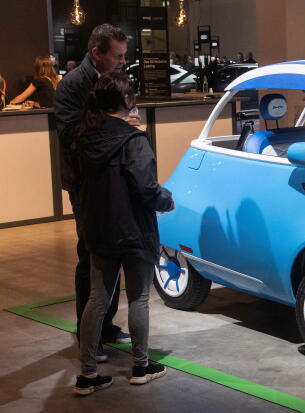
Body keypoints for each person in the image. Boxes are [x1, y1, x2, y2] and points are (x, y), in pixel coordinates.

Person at [73, 72, 174, 395]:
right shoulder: (134, 141)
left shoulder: (85, 139)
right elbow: (147, 189)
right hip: (134, 230)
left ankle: (88, 374)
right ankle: (141, 366)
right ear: (127, 99)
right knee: (139, 298)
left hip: (98, 228)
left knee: (96, 299)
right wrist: (167, 199)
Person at [54, 24, 137, 361]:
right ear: (96, 53)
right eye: (117, 56)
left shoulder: (116, 80)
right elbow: (71, 137)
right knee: (91, 255)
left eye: (124, 55)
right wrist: (116, 125)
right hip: (85, 183)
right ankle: (87, 333)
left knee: (113, 253)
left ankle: (105, 325)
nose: (123, 61)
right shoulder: (73, 85)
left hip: (114, 179)